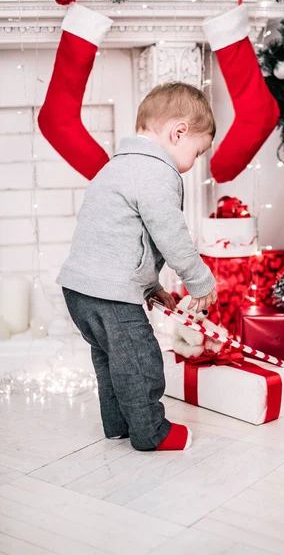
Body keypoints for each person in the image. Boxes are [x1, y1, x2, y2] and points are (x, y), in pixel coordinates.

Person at [57, 82, 218, 451]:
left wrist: (149, 287)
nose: (193, 164)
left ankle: (117, 425)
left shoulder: (118, 167)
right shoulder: (155, 172)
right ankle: (151, 432)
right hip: (110, 295)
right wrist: (199, 280)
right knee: (140, 361)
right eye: (197, 152)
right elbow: (169, 233)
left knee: (112, 360)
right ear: (178, 132)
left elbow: (120, 241)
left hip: (81, 290)